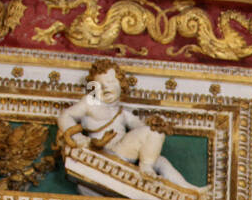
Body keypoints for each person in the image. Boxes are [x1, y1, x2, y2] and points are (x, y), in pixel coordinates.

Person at [56, 59, 204, 192]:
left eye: (110, 82)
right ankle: (146, 167)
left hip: (122, 152)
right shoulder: (91, 103)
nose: (105, 87)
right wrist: (77, 137)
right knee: (151, 143)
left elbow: (140, 128)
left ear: (122, 85)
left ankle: (188, 189)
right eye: (99, 85)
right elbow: (65, 116)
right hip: (103, 153)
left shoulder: (122, 113)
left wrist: (155, 124)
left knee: (157, 146)